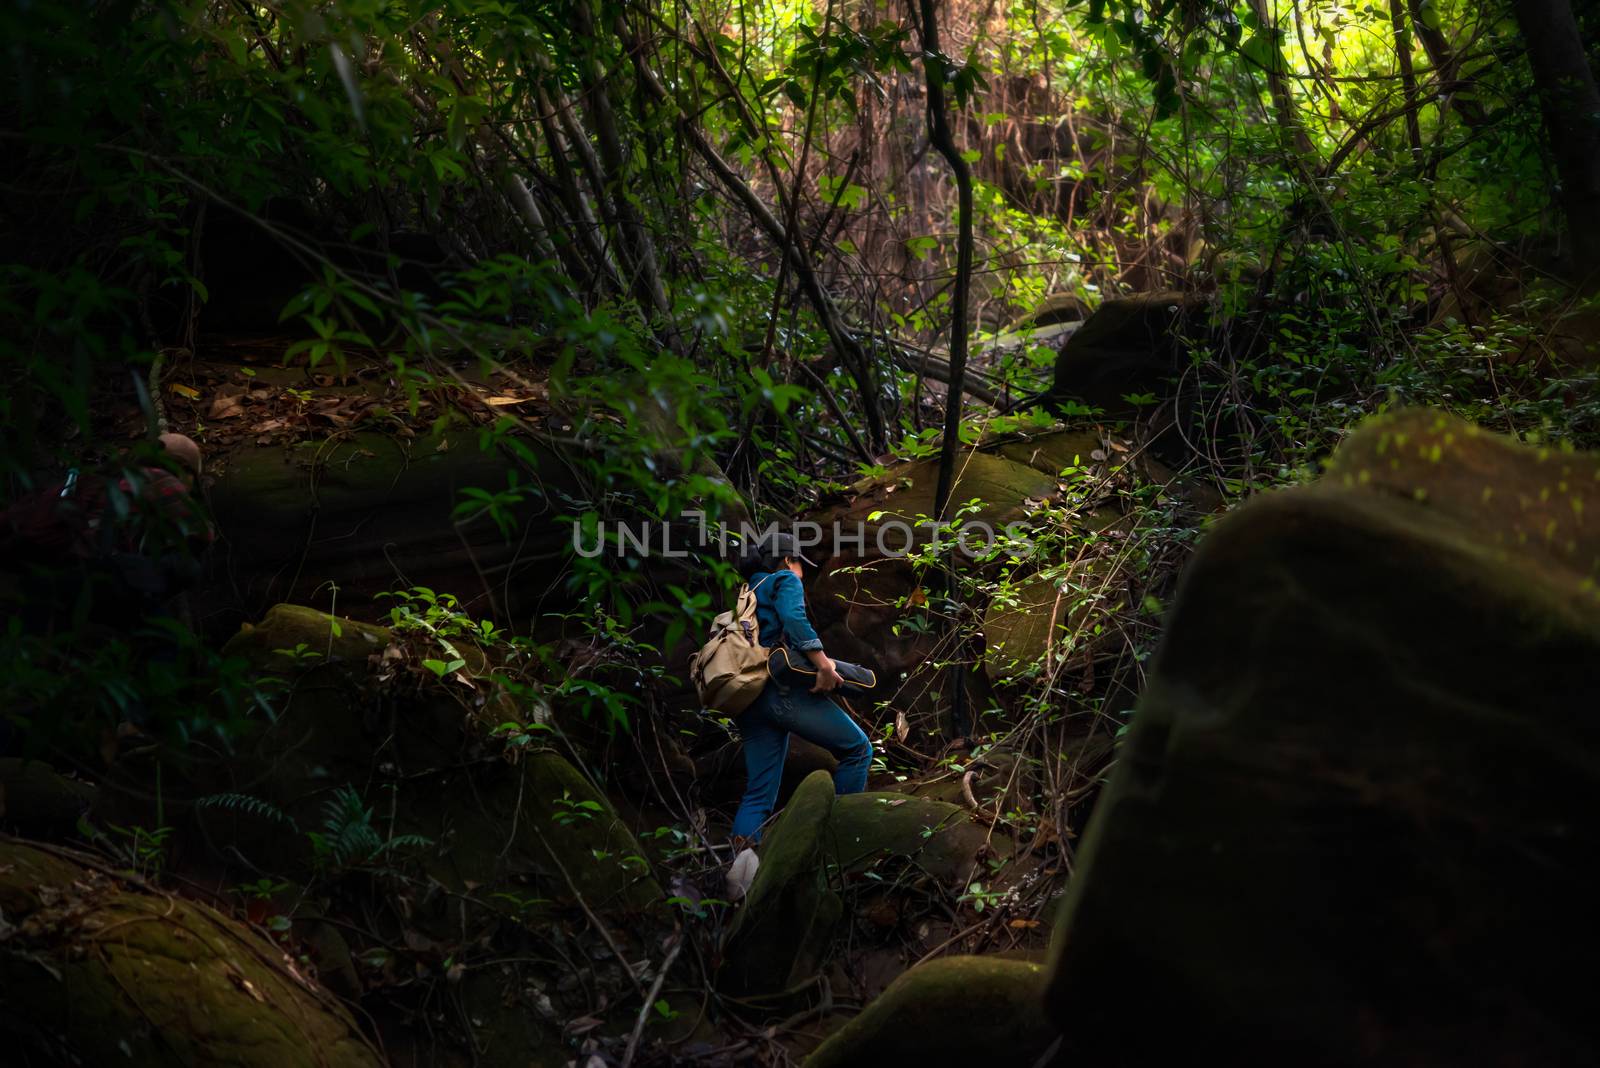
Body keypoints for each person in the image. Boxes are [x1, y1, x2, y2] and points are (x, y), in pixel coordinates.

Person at [730, 532, 873, 845]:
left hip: (748, 700)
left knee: (757, 795)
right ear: (786, 560)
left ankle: (736, 875)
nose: (802, 573)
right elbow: (794, 619)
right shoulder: (784, 580)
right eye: (799, 564)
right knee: (858, 750)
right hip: (780, 692)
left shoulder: (745, 594)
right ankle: (837, 847)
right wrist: (824, 666)